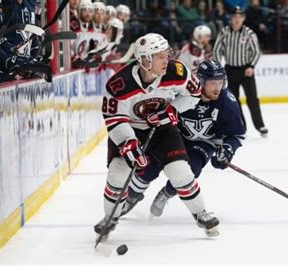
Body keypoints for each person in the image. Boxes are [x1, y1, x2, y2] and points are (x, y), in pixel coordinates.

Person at [94, 33, 220, 240]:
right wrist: (128, 143)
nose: (166, 59)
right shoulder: (119, 84)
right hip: (130, 130)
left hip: (163, 129)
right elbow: (114, 118)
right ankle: (110, 218)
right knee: (118, 173)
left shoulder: (177, 71)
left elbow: (194, 93)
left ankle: (200, 213)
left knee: (180, 172)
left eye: (166, 54)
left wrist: (173, 109)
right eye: (160, 56)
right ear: (145, 60)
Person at [120, 60, 246, 218]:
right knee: (149, 167)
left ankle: (166, 193)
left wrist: (227, 150)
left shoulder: (227, 102)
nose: (217, 87)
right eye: (213, 83)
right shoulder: (182, 94)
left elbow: (236, 134)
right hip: (173, 136)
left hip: (203, 143)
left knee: (191, 170)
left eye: (220, 82)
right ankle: (130, 197)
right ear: (200, 81)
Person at [213, 6, 268, 137]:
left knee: (252, 99)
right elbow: (216, 50)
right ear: (230, 18)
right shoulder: (224, 32)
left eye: (239, 17)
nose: (237, 19)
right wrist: (218, 67)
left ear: (243, 18)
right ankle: (241, 127)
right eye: (234, 17)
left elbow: (256, 52)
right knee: (233, 101)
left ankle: (260, 125)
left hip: (246, 70)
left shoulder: (249, 33)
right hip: (230, 70)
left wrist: (251, 66)